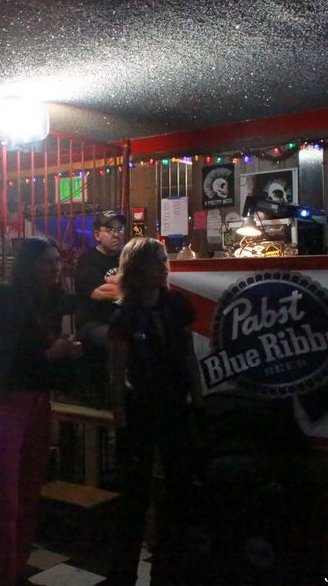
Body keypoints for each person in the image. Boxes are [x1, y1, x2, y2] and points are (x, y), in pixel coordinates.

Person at [0, 237, 82, 586]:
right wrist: (53, 353)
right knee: (6, 499)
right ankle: (5, 577)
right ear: (28, 266)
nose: (56, 267)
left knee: (28, 493)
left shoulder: (51, 300)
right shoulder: (9, 298)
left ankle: (17, 571)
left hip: (36, 401)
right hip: (4, 402)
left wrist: (64, 352)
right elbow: (3, 355)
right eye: (47, 262)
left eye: (57, 260)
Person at [105, 237, 204, 586]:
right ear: (137, 268)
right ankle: (123, 575)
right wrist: (120, 421)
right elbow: (117, 374)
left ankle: (168, 570)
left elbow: (188, 355)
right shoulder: (124, 313)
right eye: (157, 260)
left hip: (175, 406)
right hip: (140, 409)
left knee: (178, 490)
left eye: (165, 259)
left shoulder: (176, 303)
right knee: (134, 496)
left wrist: (199, 401)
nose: (165, 266)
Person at [74, 210, 126, 349]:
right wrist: (133, 289)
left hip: (122, 320)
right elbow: (101, 292)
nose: (116, 234)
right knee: (119, 339)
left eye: (120, 229)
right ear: (97, 235)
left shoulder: (128, 258)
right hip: (94, 323)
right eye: (110, 230)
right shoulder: (87, 260)